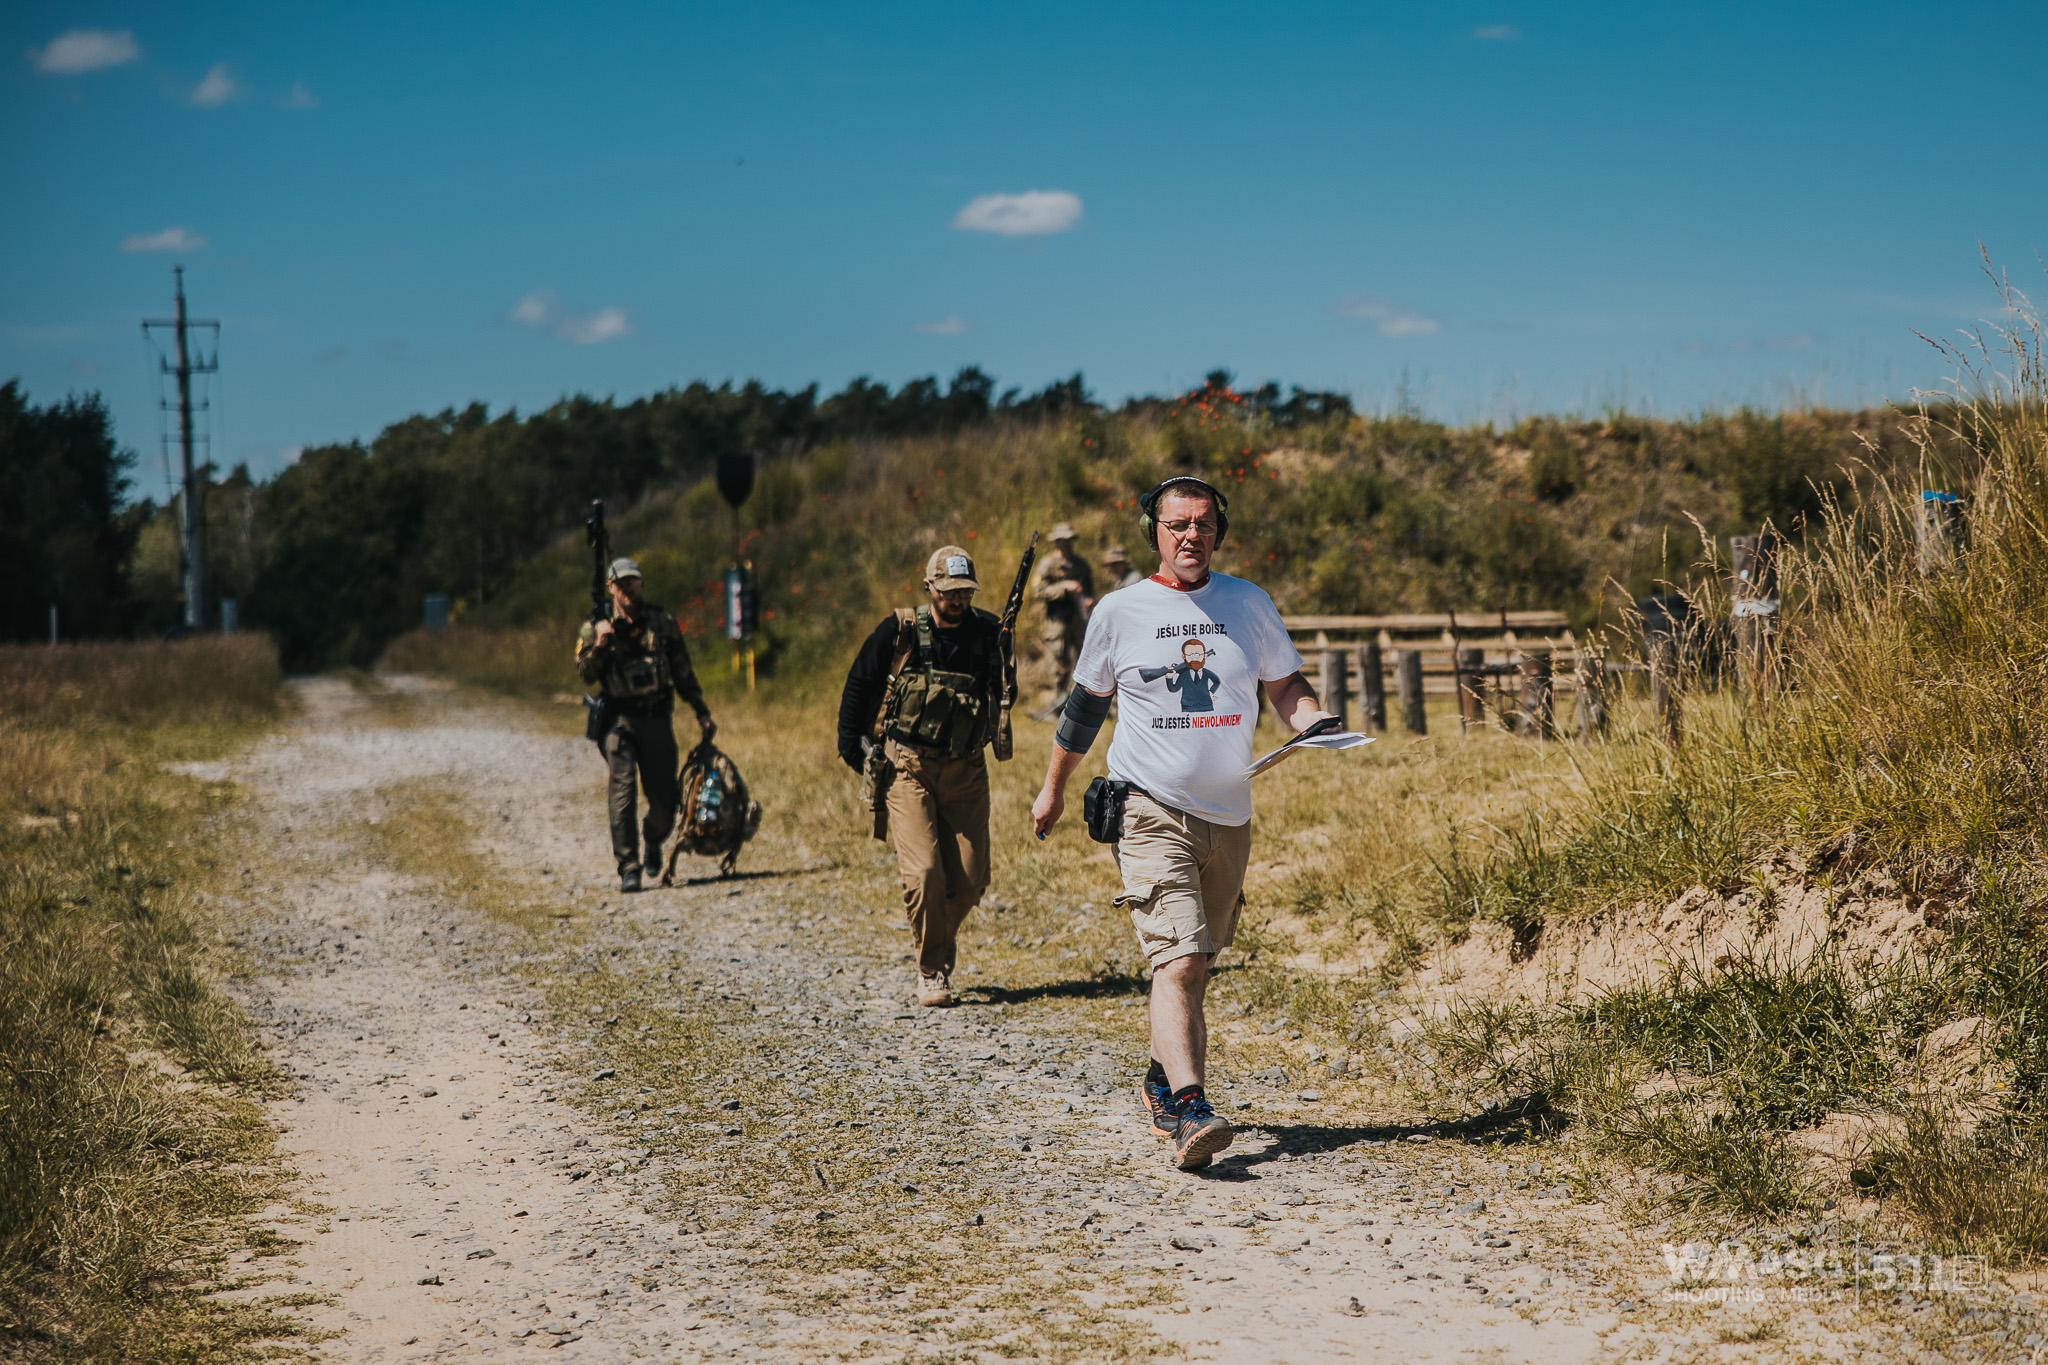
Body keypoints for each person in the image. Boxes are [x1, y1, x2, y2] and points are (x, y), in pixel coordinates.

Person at [1029, 477, 1334, 1171]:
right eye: (1176, 524)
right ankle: (1191, 1110)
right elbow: (1083, 708)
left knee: (1200, 960)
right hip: (1148, 807)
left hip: (1231, 813)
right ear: (1155, 533)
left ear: (1218, 530)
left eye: (1201, 523)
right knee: (1180, 957)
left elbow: (1285, 684)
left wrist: (1310, 718)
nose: (1190, 535)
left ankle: (1162, 1076)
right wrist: (1052, 788)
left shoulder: (1248, 603)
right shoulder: (1119, 609)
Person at [837, 546, 1009, 1007]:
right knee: (926, 872)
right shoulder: (900, 630)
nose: (957, 600)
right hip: (907, 766)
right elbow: (858, 688)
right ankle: (932, 969)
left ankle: (935, 939)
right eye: (948, 591)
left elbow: (1003, 694)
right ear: (929, 587)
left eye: (964, 592)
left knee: (972, 881)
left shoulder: (991, 631)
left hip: (967, 769)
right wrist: (855, 750)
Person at [575, 558, 715, 893]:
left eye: (633, 581)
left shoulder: (662, 622)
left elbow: (682, 669)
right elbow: (585, 675)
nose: (628, 588)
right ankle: (629, 867)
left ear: (640, 585)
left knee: (665, 800)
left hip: (656, 718)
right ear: (611, 587)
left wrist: (701, 711)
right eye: (621, 583)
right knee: (622, 794)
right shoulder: (594, 627)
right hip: (618, 721)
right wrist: (600, 646)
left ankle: (652, 840)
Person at [1033, 523, 1095, 701]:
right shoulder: (1047, 564)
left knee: (1084, 659)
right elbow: (1038, 591)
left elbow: (1089, 590)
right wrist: (1064, 589)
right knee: (1059, 663)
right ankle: (1058, 702)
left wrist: (1089, 600)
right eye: (1064, 541)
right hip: (1057, 622)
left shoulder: (1081, 564)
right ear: (1057, 542)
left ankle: (1084, 700)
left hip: (1078, 620)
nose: (1067, 544)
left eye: (1070, 540)